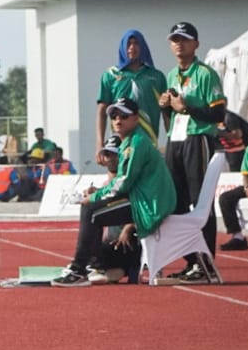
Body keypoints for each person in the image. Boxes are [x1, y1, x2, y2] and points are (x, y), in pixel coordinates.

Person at [52, 100, 177, 286]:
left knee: (90, 210)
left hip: (148, 205)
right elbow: (123, 181)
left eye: (124, 116)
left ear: (136, 119)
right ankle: (92, 266)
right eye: (114, 116)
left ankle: (81, 269)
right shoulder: (131, 141)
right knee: (93, 210)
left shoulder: (137, 143)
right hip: (143, 200)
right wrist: (100, 193)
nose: (118, 120)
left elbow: (124, 181)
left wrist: (95, 196)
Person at [158, 22, 226, 281]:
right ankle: (191, 260)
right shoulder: (171, 74)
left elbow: (218, 113)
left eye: (184, 39)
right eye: (175, 39)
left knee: (200, 203)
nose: (179, 44)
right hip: (175, 140)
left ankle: (205, 263)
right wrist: (165, 107)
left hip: (198, 140)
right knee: (175, 203)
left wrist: (187, 108)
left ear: (196, 44)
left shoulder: (206, 74)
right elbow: (170, 119)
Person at [95, 30, 167, 145]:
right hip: (119, 142)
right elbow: (102, 110)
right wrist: (99, 144)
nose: (132, 47)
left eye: (136, 43)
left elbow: (166, 112)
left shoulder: (156, 76)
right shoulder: (110, 75)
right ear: (122, 47)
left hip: (148, 140)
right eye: (128, 43)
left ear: (143, 46)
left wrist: (172, 140)